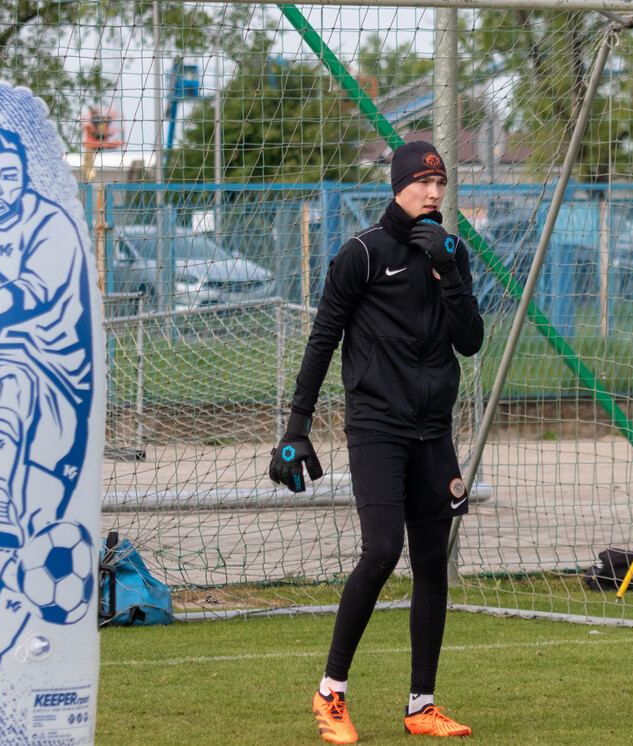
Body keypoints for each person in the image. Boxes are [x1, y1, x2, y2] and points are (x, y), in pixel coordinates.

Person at [268, 140, 484, 743]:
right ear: (398, 185)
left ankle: (422, 706)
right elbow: (322, 340)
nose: (434, 194)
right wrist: (296, 426)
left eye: (440, 184)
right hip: (376, 429)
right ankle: (331, 694)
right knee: (383, 550)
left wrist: (450, 273)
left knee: (433, 563)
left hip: (433, 432)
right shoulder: (361, 254)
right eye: (423, 183)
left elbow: (470, 341)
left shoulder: (452, 251)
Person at [0, 124, 94, 743]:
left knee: (36, 551)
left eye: (8, 176)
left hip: (69, 385)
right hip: (16, 360)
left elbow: (28, 295)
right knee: (5, 379)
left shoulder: (53, 226)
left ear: (23, 179)